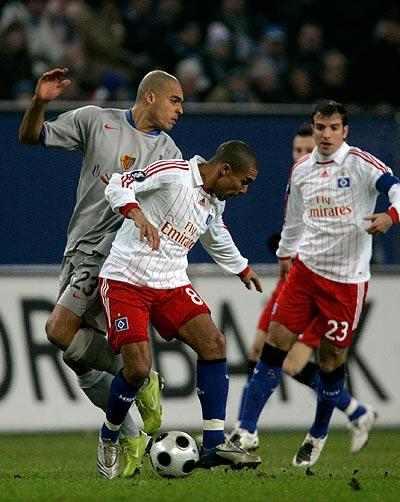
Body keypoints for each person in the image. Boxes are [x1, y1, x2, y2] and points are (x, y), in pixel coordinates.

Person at [19, 67, 184, 477]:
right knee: (77, 357)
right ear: (150, 97)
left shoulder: (170, 153)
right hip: (78, 247)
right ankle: (133, 420)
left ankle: (138, 382)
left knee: (59, 331)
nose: (180, 109)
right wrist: (39, 103)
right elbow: (31, 137)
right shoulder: (96, 121)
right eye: (175, 100)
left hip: (112, 256)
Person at [230, 101, 400, 468]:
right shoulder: (302, 170)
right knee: (273, 345)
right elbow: (292, 219)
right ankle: (246, 430)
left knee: (331, 360)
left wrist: (391, 215)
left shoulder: (361, 164)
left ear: (344, 131)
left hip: (346, 283)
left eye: (333, 128)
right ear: (314, 127)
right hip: (305, 273)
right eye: (320, 127)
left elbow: (396, 189)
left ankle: (319, 432)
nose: (325, 134)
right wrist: (285, 255)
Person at [96, 140, 263, 479]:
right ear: (224, 170)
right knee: (138, 368)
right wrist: (138, 215)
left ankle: (214, 443)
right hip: (126, 279)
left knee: (214, 343)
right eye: (244, 181)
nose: (244, 190)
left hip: (171, 282)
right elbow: (119, 182)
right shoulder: (174, 173)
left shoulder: (214, 202)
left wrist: (242, 268)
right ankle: (109, 436)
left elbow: (215, 234)